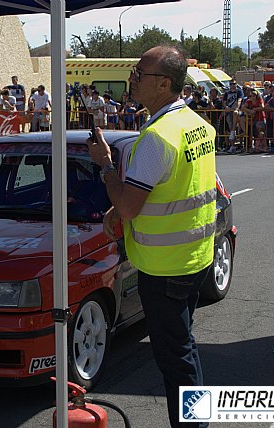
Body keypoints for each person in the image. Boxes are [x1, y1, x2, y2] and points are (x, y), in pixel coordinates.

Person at [86, 46, 215, 428]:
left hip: (165, 267)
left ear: (163, 83)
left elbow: (128, 206)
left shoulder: (159, 137)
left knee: (176, 359)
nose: (132, 79)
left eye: (139, 73)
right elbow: (175, 189)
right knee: (184, 348)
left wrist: (106, 165)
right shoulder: (195, 124)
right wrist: (122, 204)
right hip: (193, 257)